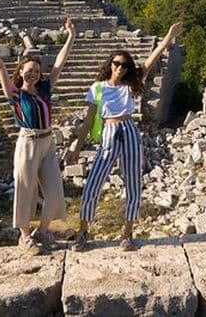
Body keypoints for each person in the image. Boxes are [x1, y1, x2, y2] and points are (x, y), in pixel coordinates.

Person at [66, 22, 182, 251]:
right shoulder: (97, 87)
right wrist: (77, 148)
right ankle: (83, 232)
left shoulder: (130, 85)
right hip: (108, 132)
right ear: (110, 65)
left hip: (129, 129)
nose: (120, 67)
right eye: (116, 63)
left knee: (133, 182)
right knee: (93, 184)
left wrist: (168, 38)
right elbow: (89, 120)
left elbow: (152, 60)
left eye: (124, 65)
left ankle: (128, 233)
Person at [0, 18, 76, 255]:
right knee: (26, 189)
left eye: (37, 71)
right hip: (27, 142)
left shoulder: (46, 89)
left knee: (55, 190)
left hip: (47, 142)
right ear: (21, 72)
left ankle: (44, 231)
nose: (34, 74)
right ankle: (25, 236)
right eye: (29, 71)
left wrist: (71, 36)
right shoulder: (15, 94)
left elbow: (60, 63)